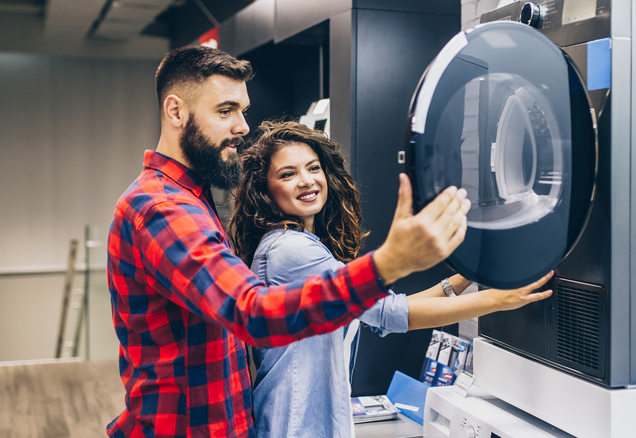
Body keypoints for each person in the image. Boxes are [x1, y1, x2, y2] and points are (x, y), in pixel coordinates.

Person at [106, 45, 471, 438]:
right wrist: (388, 264)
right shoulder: (163, 209)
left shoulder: (191, 199)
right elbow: (254, 314)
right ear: (176, 111)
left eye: (242, 111)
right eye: (226, 111)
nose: (242, 126)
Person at [228, 120, 554, 438]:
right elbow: (387, 315)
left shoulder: (300, 244)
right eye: (288, 174)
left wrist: (463, 279)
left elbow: (382, 307)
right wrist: (496, 300)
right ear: (265, 192)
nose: (306, 180)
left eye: (313, 168)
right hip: (295, 424)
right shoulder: (291, 249)